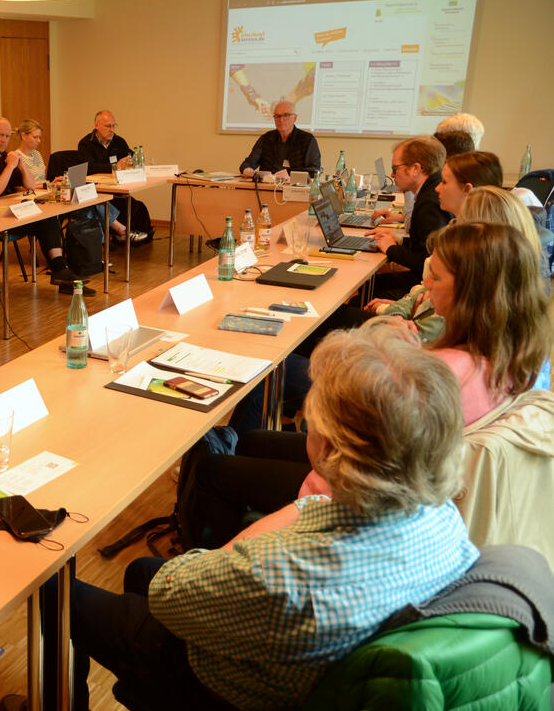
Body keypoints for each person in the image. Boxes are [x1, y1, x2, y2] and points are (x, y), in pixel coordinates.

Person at [26, 324, 478, 711]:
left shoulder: (279, 572)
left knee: (52, 587)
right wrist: (308, 507)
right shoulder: (443, 521)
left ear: (329, 446)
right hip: (325, 662)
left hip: (227, 685)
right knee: (142, 569)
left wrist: (298, 510)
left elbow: (171, 592)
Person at [198, 220, 552, 548]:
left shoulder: (440, 375)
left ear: (471, 292)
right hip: (396, 484)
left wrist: (385, 343)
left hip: (354, 499)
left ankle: (220, 570)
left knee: (213, 469)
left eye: (437, 278)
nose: (425, 284)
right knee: (254, 440)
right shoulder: (517, 357)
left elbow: (343, 429)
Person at [0, 117, 89, 294]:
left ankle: (59, 268)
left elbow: (29, 185)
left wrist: (20, 165)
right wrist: (10, 167)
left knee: (46, 217)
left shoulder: (3, 156)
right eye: (0, 135)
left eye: (7, 136)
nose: (4, 140)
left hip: (5, 214)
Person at [18, 119, 143, 247]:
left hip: (49, 191)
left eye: (39, 137)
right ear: (23, 135)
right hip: (34, 196)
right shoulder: (17, 158)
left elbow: (42, 179)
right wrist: (46, 185)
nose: (39, 141)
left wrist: (52, 182)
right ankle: (117, 232)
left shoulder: (37, 155)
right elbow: (20, 187)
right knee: (88, 202)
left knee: (88, 199)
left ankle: (99, 248)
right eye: (35, 137)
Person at [366, 135, 450, 298]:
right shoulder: (428, 191)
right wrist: (400, 241)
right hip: (422, 281)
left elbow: (427, 262)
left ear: (416, 169)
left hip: (424, 289)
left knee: (367, 291)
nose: (392, 173)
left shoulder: (429, 203)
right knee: (370, 284)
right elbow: (424, 246)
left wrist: (391, 249)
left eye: (395, 168)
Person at [75, 110, 151, 242]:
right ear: (97, 126)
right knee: (106, 203)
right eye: (108, 126)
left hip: (115, 186)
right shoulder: (86, 143)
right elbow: (88, 167)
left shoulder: (118, 141)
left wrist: (132, 161)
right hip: (95, 189)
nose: (112, 130)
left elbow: (130, 155)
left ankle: (122, 234)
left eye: (114, 126)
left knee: (134, 205)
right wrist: (115, 167)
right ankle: (120, 232)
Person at [238, 100, 322, 180]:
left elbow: (314, 171)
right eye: (277, 116)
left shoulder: (307, 140)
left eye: (286, 115)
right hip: (266, 189)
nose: (281, 120)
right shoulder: (266, 138)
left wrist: (290, 174)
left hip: (295, 189)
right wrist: (250, 172)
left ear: (295, 118)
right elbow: (246, 165)